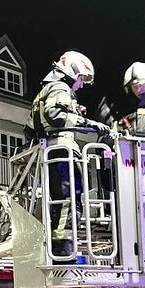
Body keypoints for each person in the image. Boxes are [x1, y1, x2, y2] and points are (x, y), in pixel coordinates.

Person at [25, 51, 101, 240]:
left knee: (58, 202)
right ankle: (65, 245)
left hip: (49, 155)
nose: (81, 84)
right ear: (72, 71)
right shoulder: (60, 87)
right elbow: (56, 117)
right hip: (62, 153)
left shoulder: (43, 93)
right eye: (81, 79)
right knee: (70, 200)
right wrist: (89, 123)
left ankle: (58, 242)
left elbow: (29, 129)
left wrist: (74, 111)